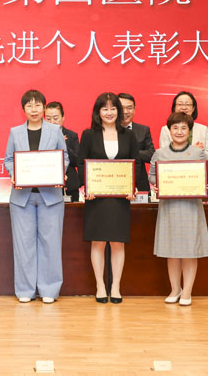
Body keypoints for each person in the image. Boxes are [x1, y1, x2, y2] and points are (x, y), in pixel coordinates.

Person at [4, 90, 69, 304]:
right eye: (29, 106)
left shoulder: (55, 131)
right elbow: (9, 160)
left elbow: (64, 157)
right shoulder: (15, 132)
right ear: (23, 109)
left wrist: (60, 171)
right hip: (22, 198)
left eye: (38, 105)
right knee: (24, 245)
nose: (34, 109)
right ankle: (25, 289)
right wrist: (14, 173)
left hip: (50, 197)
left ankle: (50, 289)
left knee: (51, 244)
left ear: (44, 107)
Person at [77, 92, 138, 304]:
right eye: (105, 109)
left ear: (118, 111)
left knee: (118, 242)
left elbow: (136, 163)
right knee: (98, 242)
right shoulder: (88, 134)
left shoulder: (128, 135)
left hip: (120, 198)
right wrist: (86, 186)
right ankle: (100, 286)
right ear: (98, 112)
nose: (109, 113)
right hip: (96, 198)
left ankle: (116, 286)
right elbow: (81, 162)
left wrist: (133, 187)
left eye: (113, 108)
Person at [149, 111, 208, 306]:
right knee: (172, 250)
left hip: (190, 207)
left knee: (189, 250)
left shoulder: (198, 152)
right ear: (169, 130)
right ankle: (175, 289)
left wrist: (207, 183)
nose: (179, 131)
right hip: (169, 206)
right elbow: (152, 175)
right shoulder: (160, 153)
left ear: (189, 131)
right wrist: (157, 184)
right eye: (175, 127)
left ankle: (187, 291)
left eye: (183, 128)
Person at [159, 91, 208, 163]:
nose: (184, 107)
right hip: (174, 169)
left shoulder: (203, 129)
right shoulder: (166, 129)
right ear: (174, 107)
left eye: (187, 104)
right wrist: (191, 152)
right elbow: (164, 157)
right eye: (180, 104)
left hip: (197, 169)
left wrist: (198, 153)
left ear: (193, 108)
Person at [118, 93, 155, 194]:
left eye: (129, 108)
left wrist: (131, 152)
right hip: (114, 182)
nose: (125, 111)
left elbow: (151, 155)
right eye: (122, 108)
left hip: (139, 183)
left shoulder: (143, 130)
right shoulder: (107, 131)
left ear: (134, 110)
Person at [44, 101, 81, 202]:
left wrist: (63, 144)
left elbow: (77, 161)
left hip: (69, 185)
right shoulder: (40, 136)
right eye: (48, 118)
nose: (52, 122)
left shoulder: (72, 135)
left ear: (63, 118)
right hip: (47, 186)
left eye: (55, 118)